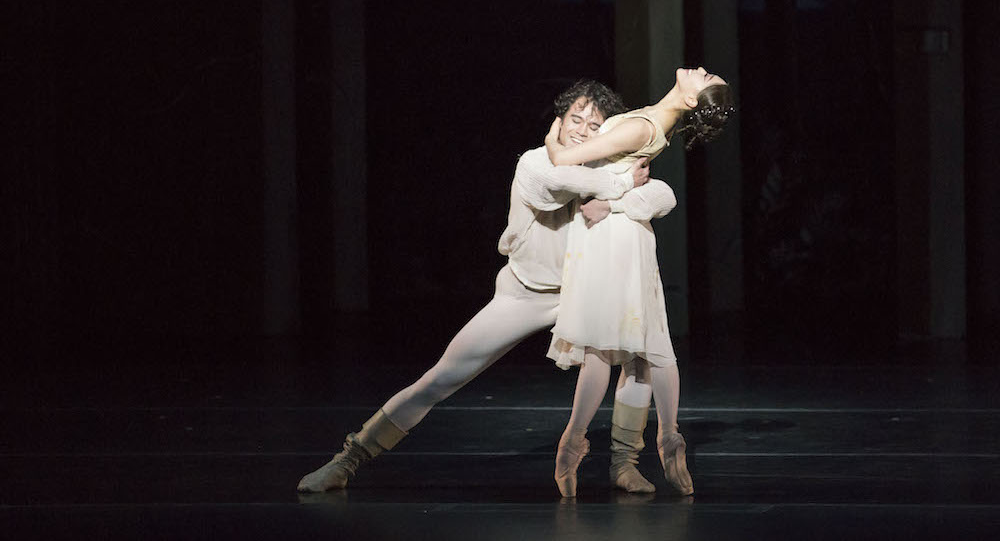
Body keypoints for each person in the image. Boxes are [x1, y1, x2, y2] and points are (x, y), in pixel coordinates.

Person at [296, 80, 680, 493]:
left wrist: (620, 198)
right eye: (575, 119)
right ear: (558, 123)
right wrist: (623, 186)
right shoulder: (535, 163)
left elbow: (662, 194)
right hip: (527, 293)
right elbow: (566, 183)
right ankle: (348, 459)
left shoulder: (607, 167)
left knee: (636, 360)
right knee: (444, 376)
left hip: (582, 293)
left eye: (594, 124)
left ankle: (624, 464)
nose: (583, 130)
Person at [543, 67, 735, 498]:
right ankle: (662, 440)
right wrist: (618, 197)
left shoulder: (640, 126)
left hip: (612, 240)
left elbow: (562, 161)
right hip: (627, 236)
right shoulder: (653, 121)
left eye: (705, 78)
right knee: (643, 347)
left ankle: (575, 445)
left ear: (691, 100)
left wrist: (554, 132)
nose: (700, 70)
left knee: (605, 349)